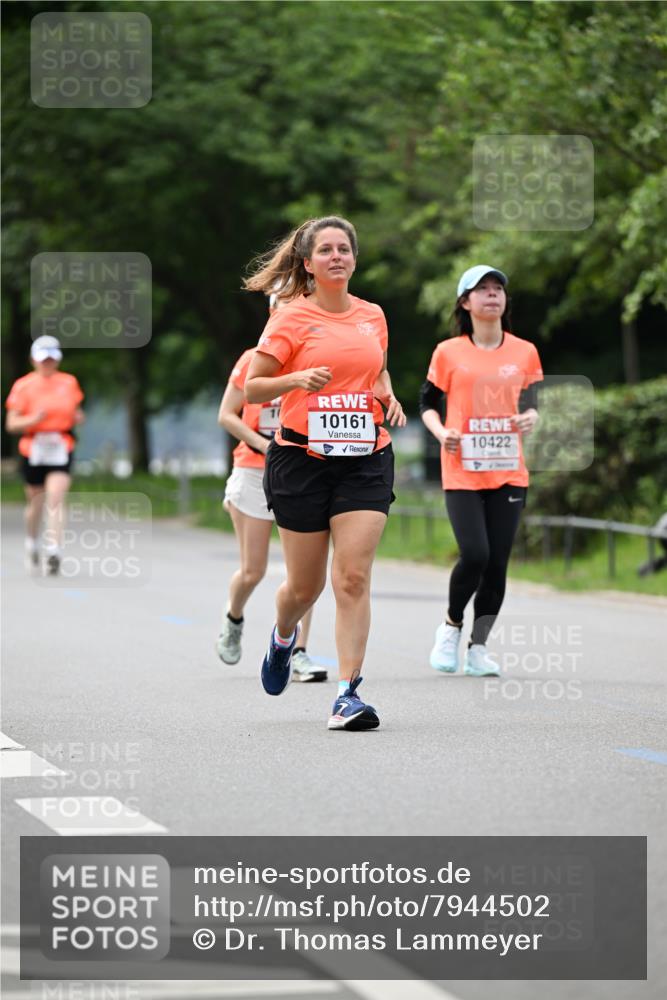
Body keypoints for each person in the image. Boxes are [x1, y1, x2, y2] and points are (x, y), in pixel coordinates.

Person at [243, 215, 406, 731]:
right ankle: (284, 634)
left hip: (365, 457)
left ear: (354, 259)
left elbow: (375, 366)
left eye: (345, 249)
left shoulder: (373, 315)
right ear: (309, 263)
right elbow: (254, 387)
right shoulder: (290, 317)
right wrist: (297, 378)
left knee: (352, 577)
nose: (337, 256)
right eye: (326, 250)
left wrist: (387, 391)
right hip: (301, 461)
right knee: (304, 586)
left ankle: (347, 694)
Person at [420, 265, 543, 676]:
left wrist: (531, 418)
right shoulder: (448, 352)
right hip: (462, 469)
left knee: (497, 564)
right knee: (475, 554)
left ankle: (478, 648)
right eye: (482, 289)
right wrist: (442, 433)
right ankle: (452, 625)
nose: (492, 295)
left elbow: (532, 401)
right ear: (465, 302)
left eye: (498, 289)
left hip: (508, 471)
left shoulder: (524, 351)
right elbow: (427, 404)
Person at [215, 345, 326, 681]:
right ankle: (234, 618)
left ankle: (299, 651)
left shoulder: (316, 358)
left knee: (303, 575)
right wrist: (265, 445)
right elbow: (226, 414)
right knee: (253, 571)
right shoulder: (252, 359)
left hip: (300, 471)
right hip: (253, 470)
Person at [5, 335, 84, 575]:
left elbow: (77, 412)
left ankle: (54, 549)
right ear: (33, 360)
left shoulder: (69, 383)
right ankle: (32, 541)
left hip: (61, 445)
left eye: (51, 360)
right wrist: (32, 419)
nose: (47, 364)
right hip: (33, 447)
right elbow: (11, 424)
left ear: (57, 360)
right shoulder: (23, 386)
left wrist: (79, 417)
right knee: (36, 502)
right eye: (43, 360)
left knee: (56, 497)